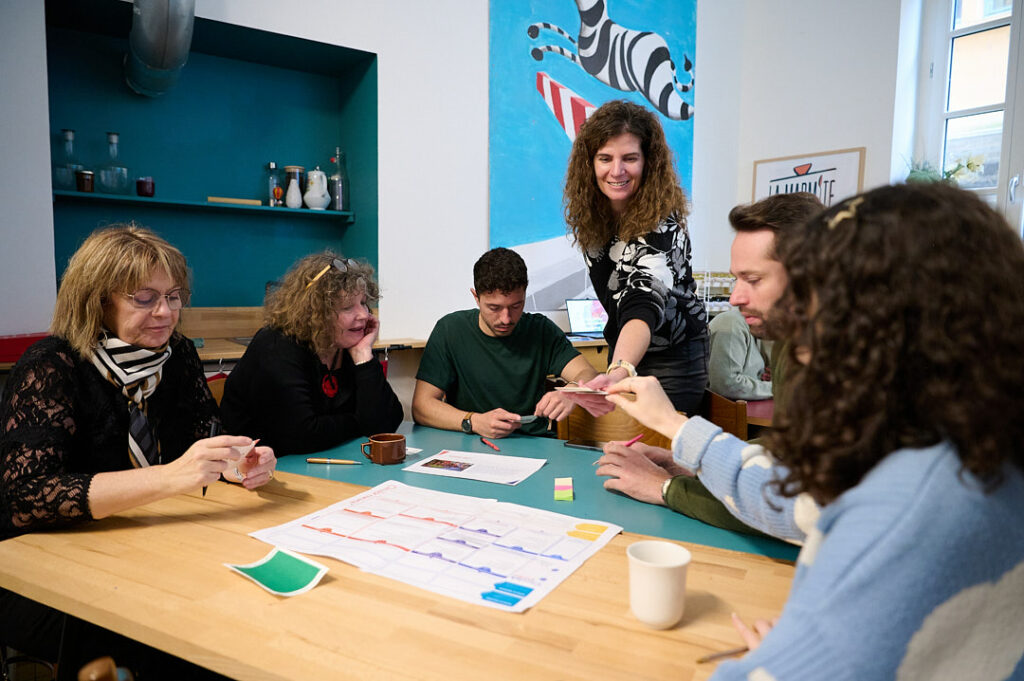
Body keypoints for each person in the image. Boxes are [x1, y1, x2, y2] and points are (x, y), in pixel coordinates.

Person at [605, 183, 1024, 678]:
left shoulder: (905, 503)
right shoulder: (978, 441)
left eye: (818, 294)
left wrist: (778, 664)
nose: (801, 325)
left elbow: (811, 508)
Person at [0, 224, 276, 679]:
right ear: (97, 300)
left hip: (145, 542)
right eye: (144, 298)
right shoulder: (51, 365)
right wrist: (170, 477)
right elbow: (28, 498)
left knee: (228, 605)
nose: (165, 313)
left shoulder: (179, 354)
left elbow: (203, 436)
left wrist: (237, 463)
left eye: (173, 296)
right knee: (165, 627)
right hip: (40, 568)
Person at [595, 192, 824, 537]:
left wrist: (668, 480)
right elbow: (786, 455)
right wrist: (688, 462)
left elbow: (800, 509)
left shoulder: (857, 364)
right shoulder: (792, 344)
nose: (735, 297)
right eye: (736, 279)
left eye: (754, 280)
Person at [564, 99, 707, 415]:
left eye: (630, 158)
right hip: (623, 351)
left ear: (648, 162)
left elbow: (643, 300)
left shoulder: (661, 223)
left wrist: (619, 370)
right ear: (589, 163)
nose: (616, 171)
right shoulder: (593, 217)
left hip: (672, 356)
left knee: (659, 456)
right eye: (605, 158)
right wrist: (619, 366)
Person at [221, 252, 403, 455]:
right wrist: (361, 421)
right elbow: (301, 435)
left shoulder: (347, 345)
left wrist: (363, 356)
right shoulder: (276, 346)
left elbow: (387, 423)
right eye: (347, 307)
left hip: (320, 461)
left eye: (363, 303)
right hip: (256, 472)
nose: (363, 314)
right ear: (314, 312)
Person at [413, 247, 602, 439]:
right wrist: (474, 421)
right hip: (471, 444)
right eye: (494, 308)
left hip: (533, 444)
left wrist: (573, 392)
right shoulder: (450, 330)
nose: (506, 319)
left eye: (516, 306)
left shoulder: (541, 330)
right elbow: (422, 406)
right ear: (476, 297)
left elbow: (587, 374)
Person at [707, 307, 771, 400]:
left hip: (749, 407)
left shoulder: (762, 328)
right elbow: (728, 385)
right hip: (723, 410)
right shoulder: (731, 324)